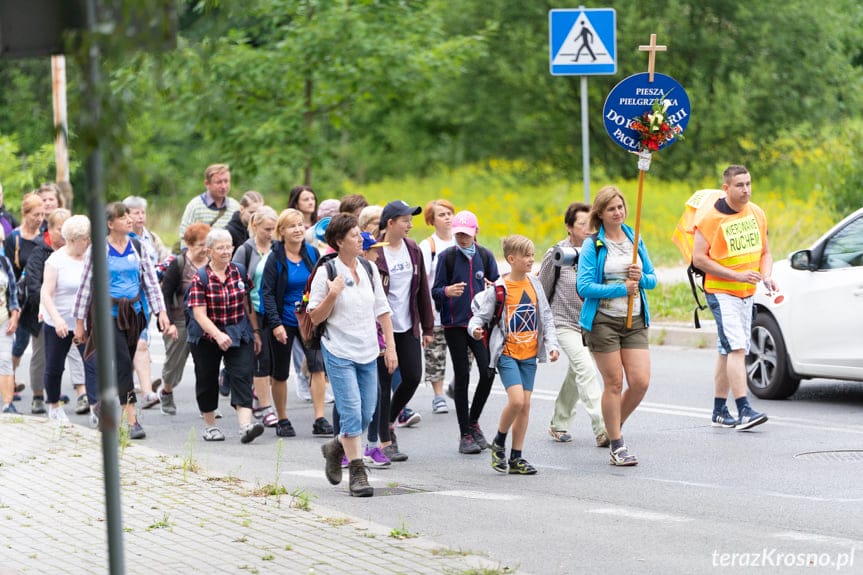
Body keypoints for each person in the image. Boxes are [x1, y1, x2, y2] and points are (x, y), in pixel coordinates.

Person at [72, 202, 177, 440]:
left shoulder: (138, 246)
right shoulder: (98, 250)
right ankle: (132, 421)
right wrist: (79, 322)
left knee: (126, 363)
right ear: (110, 224)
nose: (129, 220)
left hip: (135, 315)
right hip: (108, 316)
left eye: (129, 215)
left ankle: (104, 405)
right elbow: (85, 288)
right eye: (123, 217)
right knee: (121, 364)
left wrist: (161, 311)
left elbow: (150, 281)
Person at [311, 214, 396, 497]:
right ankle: (357, 472)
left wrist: (391, 348)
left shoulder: (369, 268)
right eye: (355, 236)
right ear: (338, 242)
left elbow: (382, 310)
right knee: (351, 413)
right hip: (338, 350)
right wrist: (332, 294)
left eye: (360, 235)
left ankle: (335, 446)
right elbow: (314, 316)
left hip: (368, 350)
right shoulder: (327, 271)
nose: (361, 240)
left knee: (366, 412)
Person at [577, 185, 657, 466]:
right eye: (611, 208)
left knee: (640, 382)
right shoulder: (593, 245)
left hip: (634, 321)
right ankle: (617, 444)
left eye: (621, 207)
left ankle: (612, 425)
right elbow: (584, 286)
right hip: (603, 322)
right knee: (614, 382)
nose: (618, 212)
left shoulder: (634, 238)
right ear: (600, 213)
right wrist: (620, 288)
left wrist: (640, 277)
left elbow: (651, 279)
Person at [470, 235, 560, 475]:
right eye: (527, 256)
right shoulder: (500, 288)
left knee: (526, 405)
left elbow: (546, 317)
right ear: (512, 259)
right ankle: (499, 441)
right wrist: (475, 330)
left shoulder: (534, 284)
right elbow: (479, 317)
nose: (531, 259)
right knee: (517, 400)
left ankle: (516, 457)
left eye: (532, 255)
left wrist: (552, 345)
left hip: (529, 354)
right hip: (507, 353)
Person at [693, 165, 773, 431]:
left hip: (746, 293)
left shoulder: (757, 212)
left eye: (749, 183)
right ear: (726, 188)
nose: (746, 190)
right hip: (721, 291)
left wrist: (767, 275)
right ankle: (744, 410)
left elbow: (765, 252)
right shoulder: (710, 219)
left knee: (727, 349)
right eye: (740, 185)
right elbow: (699, 258)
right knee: (738, 346)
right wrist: (735, 276)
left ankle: (718, 411)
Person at [538, 202, 608, 447]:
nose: (589, 229)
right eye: (582, 224)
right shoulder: (556, 254)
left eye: (592, 224)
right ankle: (603, 428)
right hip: (563, 323)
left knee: (576, 373)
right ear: (569, 227)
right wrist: (543, 332)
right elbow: (541, 292)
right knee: (586, 369)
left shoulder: (599, 252)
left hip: (590, 324)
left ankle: (559, 423)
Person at [186, 228, 264, 443]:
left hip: (238, 330)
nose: (226, 251)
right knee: (207, 379)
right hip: (206, 337)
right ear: (209, 251)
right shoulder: (200, 278)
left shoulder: (239, 272)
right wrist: (218, 334)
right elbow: (199, 314)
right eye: (220, 247)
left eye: (229, 246)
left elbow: (247, 305)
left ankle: (245, 426)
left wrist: (255, 331)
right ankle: (210, 426)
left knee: (242, 375)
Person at [261, 208, 334, 438]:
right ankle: (282, 418)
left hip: (309, 320)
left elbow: (321, 283)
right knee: (280, 372)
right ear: (281, 231)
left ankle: (320, 418)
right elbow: (268, 294)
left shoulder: (312, 254)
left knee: (317, 367)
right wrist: (275, 324)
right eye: (291, 226)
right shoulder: (275, 258)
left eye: (300, 224)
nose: (298, 229)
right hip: (284, 320)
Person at [432, 210, 499, 454]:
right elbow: (435, 291)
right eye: (458, 234)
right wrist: (447, 291)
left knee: (488, 372)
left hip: (480, 325)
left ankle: (473, 421)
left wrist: (493, 290)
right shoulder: (447, 257)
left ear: (476, 233)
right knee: (462, 376)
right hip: (455, 325)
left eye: (466, 235)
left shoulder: (485, 255)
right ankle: (465, 435)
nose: (462, 239)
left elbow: (498, 286)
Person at [372, 200, 434, 461]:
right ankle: (386, 441)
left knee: (412, 377)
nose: (410, 225)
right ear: (390, 223)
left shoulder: (412, 249)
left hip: (408, 325)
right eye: (405, 220)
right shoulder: (374, 251)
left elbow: (421, 290)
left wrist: (427, 326)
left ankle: (387, 420)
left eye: (411, 220)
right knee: (384, 384)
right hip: (382, 328)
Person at [22, 209, 89, 416]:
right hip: (49, 317)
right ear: (50, 229)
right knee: (50, 363)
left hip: (80, 322)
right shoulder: (44, 254)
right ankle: (44, 399)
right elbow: (38, 288)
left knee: (88, 362)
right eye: (58, 228)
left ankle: (88, 399)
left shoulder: (88, 255)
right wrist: (45, 311)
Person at [40, 215, 95, 425]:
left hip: (85, 323)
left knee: (92, 364)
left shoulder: (91, 257)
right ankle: (53, 406)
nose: (88, 241)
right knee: (55, 366)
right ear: (72, 240)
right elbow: (46, 293)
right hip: (58, 322)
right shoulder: (56, 261)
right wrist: (57, 319)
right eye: (85, 238)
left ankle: (94, 408)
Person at [158, 223, 211, 415]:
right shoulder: (178, 263)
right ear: (189, 244)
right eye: (200, 245)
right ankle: (167, 391)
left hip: (206, 321)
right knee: (174, 364)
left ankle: (207, 407)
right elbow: (165, 293)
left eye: (207, 244)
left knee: (206, 366)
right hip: (180, 319)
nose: (205, 249)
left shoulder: (212, 263)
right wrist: (169, 322)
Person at [123, 195, 171, 409]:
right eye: (136, 213)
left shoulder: (151, 237)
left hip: (146, 299)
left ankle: (146, 390)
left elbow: (165, 256)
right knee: (131, 345)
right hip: (124, 302)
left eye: (143, 212)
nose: (140, 216)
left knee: (141, 343)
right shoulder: (122, 240)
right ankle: (132, 385)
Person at [5, 193, 45, 412]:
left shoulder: (45, 235)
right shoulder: (15, 238)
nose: (39, 218)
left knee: (42, 348)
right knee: (19, 344)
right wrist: (14, 306)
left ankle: (39, 392)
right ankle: (7, 387)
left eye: (42, 214)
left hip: (40, 297)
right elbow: (11, 272)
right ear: (25, 214)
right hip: (22, 298)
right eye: (35, 214)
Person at [418, 198, 456, 414]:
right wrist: (426, 310)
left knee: (465, 354)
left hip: (462, 311)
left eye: (449, 213)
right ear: (431, 221)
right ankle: (438, 395)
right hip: (437, 310)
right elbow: (423, 280)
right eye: (442, 215)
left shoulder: (462, 240)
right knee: (435, 355)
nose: (447, 217)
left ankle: (456, 387)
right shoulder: (428, 246)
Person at [178, 163, 240, 243]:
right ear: (207, 184)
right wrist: (187, 253)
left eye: (226, 181)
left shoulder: (235, 206)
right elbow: (184, 235)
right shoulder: (195, 206)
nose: (223, 186)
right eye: (219, 182)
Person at [0, 238, 20, 414]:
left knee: (5, 360)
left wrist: (14, 314)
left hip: (3, 319)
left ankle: (8, 405)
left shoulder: (4, 262)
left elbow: (13, 292)